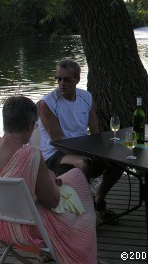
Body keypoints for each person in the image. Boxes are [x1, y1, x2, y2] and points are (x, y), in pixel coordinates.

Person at [0, 96, 97, 263]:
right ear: (29, 125)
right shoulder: (29, 155)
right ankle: (81, 257)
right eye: (35, 125)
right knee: (81, 194)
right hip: (25, 227)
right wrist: (51, 177)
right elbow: (53, 201)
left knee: (74, 175)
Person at [39, 58, 122, 224]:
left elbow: (95, 132)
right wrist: (90, 155)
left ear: (77, 79)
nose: (61, 83)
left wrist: (103, 153)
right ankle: (86, 213)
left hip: (82, 148)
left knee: (118, 162)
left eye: (66, 79)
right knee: (84, 164)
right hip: (54, 153)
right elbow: (57, 141)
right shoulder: (47, 103)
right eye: (58, 79)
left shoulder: (86, 97)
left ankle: (99, 200)